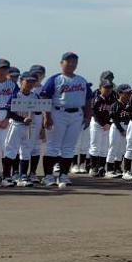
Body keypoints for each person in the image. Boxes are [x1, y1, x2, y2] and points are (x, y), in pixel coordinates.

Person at [39, 52, 91, 187]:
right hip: (58, 113)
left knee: (69, 148)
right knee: (53, 147)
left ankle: (63, 175)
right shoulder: (55, 79)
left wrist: (87, 116)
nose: (72, 64)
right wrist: (47, 116)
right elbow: (45, 98)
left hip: (76, 115)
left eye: (74, 62)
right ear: (62, 63)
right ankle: (48, 176)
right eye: (69, 61)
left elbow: (88, 99)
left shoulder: (81, 80)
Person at [5, 71, 53, 187]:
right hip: (16, 125)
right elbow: (9, 113)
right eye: (28, 81)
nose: (30, 84)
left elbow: (38, 110)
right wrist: (22, 119)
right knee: (11, 150)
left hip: (29, 127)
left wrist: (41, 113)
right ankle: (6, 177)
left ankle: (23, 176)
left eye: (32, 82)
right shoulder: (15, 95)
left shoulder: (35, 96)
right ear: (21, 82)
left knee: (26, 151)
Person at [87, 80, 121, 177]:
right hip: (97, 124)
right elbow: (94, 113)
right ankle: (93, 167)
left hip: (107, 125)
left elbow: (114, 113)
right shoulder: (97, 99)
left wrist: (109, 123)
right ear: (100, 88)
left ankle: (101, 167)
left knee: (104, 146)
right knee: (95, 146)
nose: (108, 89)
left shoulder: (113, 99)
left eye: (110, 87)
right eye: (105, 87)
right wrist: (103, 124)